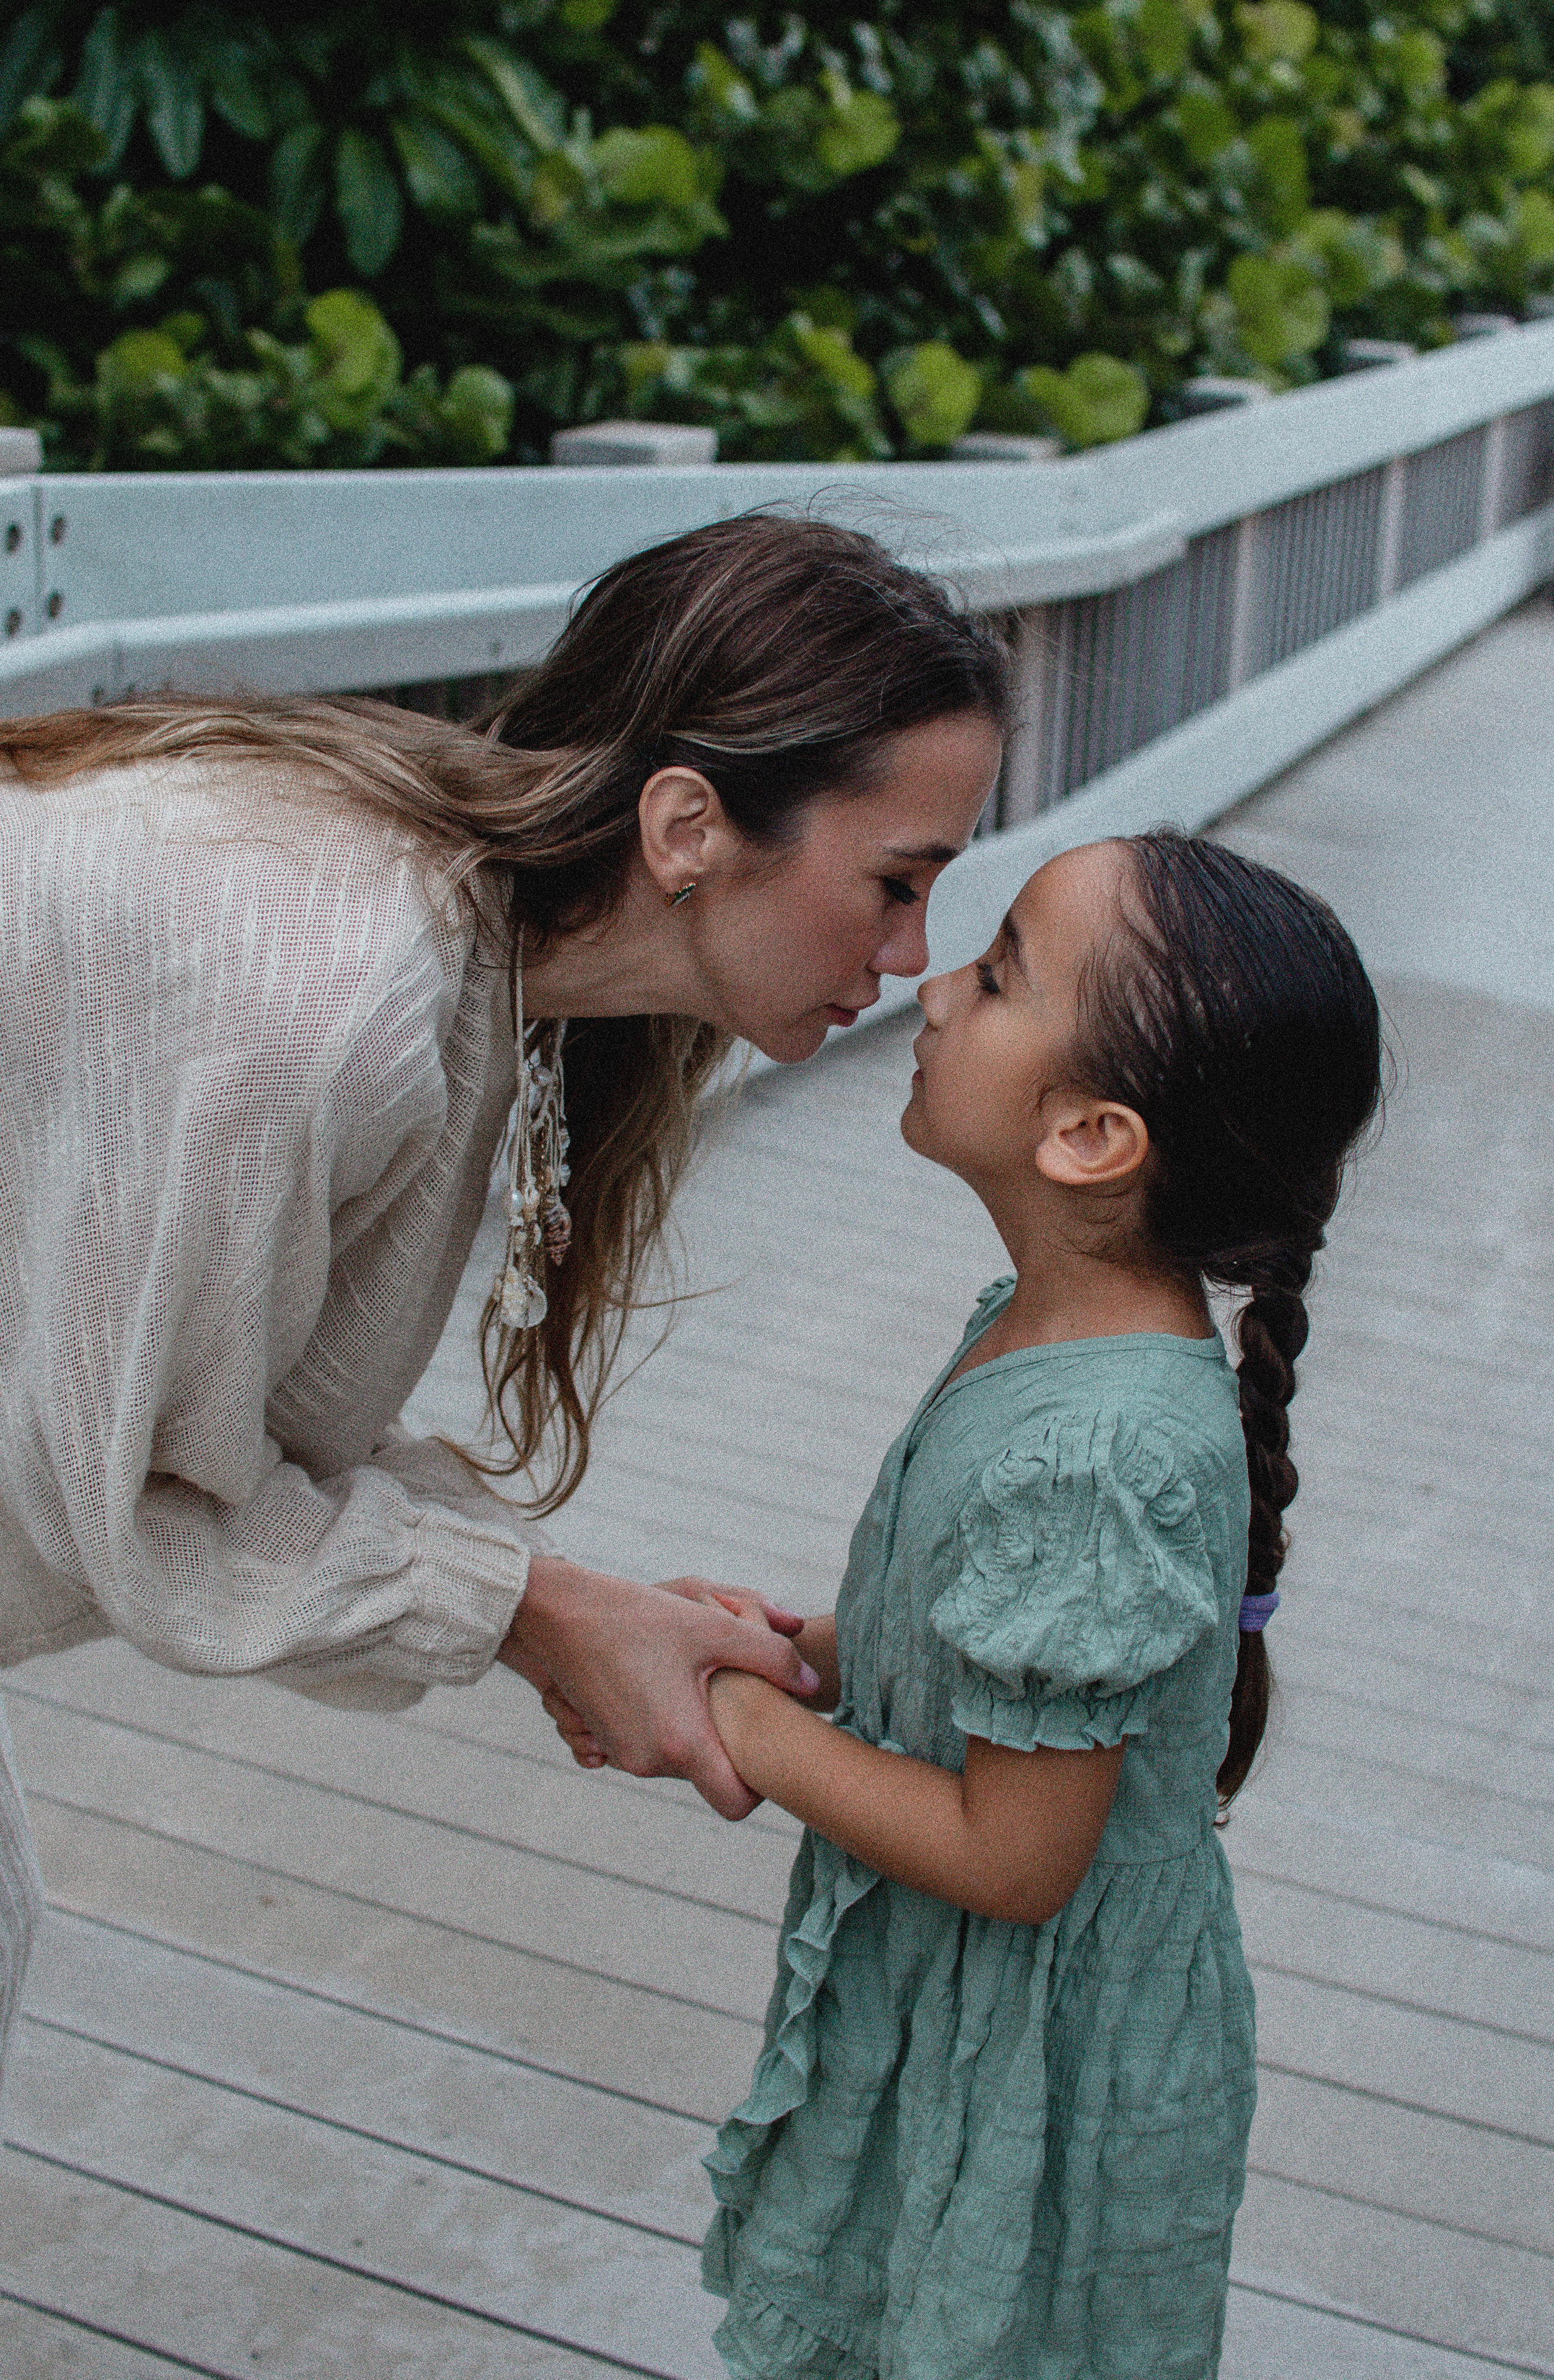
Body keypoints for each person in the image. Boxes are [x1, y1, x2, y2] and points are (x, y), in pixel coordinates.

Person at [0, 511, 1011, 2073]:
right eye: (894, 881)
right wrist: (541, 1614)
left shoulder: (465, 951)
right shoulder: (328, 999)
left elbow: (217, 1422)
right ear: (687, 826)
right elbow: (125, 1499)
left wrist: (578, 1607)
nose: (909, 953)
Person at [675, 833, 1382, 2377]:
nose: (931, 988)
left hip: (1035, 2054)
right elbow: (1021, 1659)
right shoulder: (1044, 1335)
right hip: (967, 2015)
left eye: (994, 976)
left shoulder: (1100, 1449)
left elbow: (1014, 1858)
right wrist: (811, 1654)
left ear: (1087, 1135)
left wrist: (724, 1718)